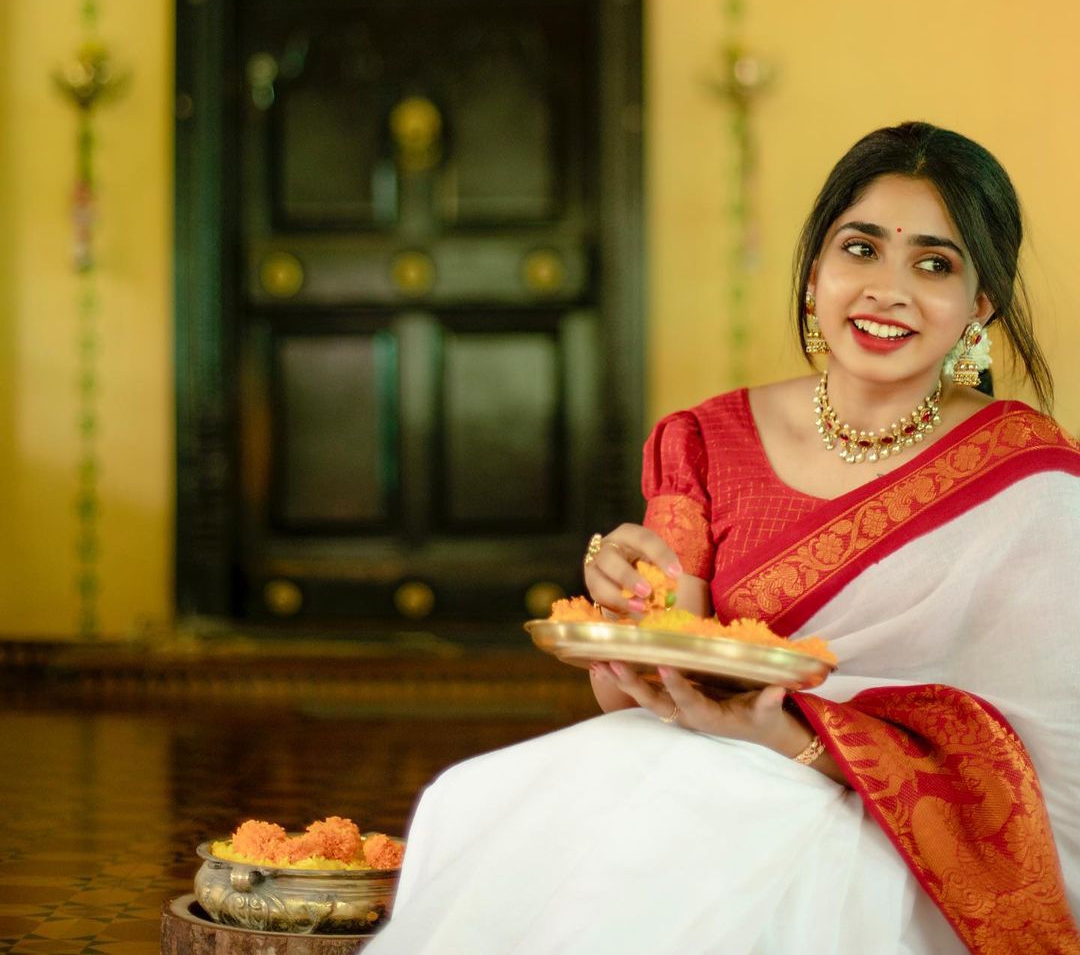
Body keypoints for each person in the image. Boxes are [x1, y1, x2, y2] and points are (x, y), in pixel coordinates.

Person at [365, 122, 1080, 953]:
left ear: (979, 304)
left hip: (887, 831)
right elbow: (647, 685)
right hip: (687, 760)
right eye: (861, 249)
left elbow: (1042, 761)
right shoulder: (708, 442)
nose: (888, 289)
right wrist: (631, 605)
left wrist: (791, 739)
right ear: (815, 270)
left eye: (933, 263)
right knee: (485, 800)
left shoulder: (1027, 479)